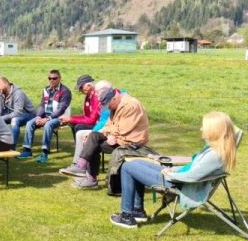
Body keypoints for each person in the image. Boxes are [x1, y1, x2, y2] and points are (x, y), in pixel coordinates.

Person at [110, 111, 238, 229]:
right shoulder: (214, 149)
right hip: (178, 179)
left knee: (128, 167)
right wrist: (173, 170)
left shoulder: (214, 155)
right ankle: (137, 211)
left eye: (204, 126)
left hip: (178, 184)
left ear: (214, 130)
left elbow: (192, 176)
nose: (201, 129)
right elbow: (193, 168)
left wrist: (170, 174)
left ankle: (127, 216)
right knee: (136, 162)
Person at [73, 87, 149, 190]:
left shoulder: (131, 105)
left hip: (132, 143)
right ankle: (81, 166)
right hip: (120, 138)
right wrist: (105, 134)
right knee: (93, 137)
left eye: (108, 105)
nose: (108, 108)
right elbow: (108, 125)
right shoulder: (117, 105)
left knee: (93, 144)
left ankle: (90, 178)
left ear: (114, 98)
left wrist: (111, 135)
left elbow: (124, 129)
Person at [59, 79, 111, 177]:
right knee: (74, 125)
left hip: (102, 128)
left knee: (79, 128)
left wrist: (71, 118)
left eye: (81, 87)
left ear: (88, 85)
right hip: (100, 126)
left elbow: (93, 120)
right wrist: (71, 119)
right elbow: (87, 116)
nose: (80, 90)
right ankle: (79, 161)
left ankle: (80, 162)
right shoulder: (89, 97)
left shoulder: (97, 97)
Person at [18, 69, 72, 163]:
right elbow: (42, 105)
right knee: (30, 123)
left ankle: (44, 153)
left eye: (54, 78)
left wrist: (47, 119)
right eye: (49, 78)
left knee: (48, 125)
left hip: (61, 118)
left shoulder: (65, 91)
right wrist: (38, 117)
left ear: (60, 79)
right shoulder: (46, 89)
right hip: (46, 116)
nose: (51, 80)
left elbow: (61, 109)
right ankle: (27, 150)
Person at [0, 76, 36, 149]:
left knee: (14, 120)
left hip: (28, 114)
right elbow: (0, 110)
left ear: (5, 84)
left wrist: (1, 118)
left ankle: (11, 147)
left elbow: (18, 113)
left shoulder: (18, 93)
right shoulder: (1, 95)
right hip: (13, 115)